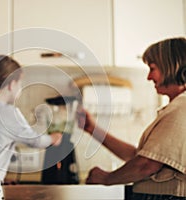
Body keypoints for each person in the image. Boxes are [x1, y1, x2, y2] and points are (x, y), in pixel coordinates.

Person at [77, 37, 186, 200]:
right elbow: (140, 156)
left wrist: (107, 178)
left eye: (152, 68)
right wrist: (93, 129)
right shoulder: (178, 107)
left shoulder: (182, 107)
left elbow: (146, 165)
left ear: (171, 67)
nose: (149, 77)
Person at [0, 55, 62, 200]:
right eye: (20, 84)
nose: (20, 88)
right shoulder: (8, 113)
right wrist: (54, 138)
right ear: (11, 84)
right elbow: (35, 140)